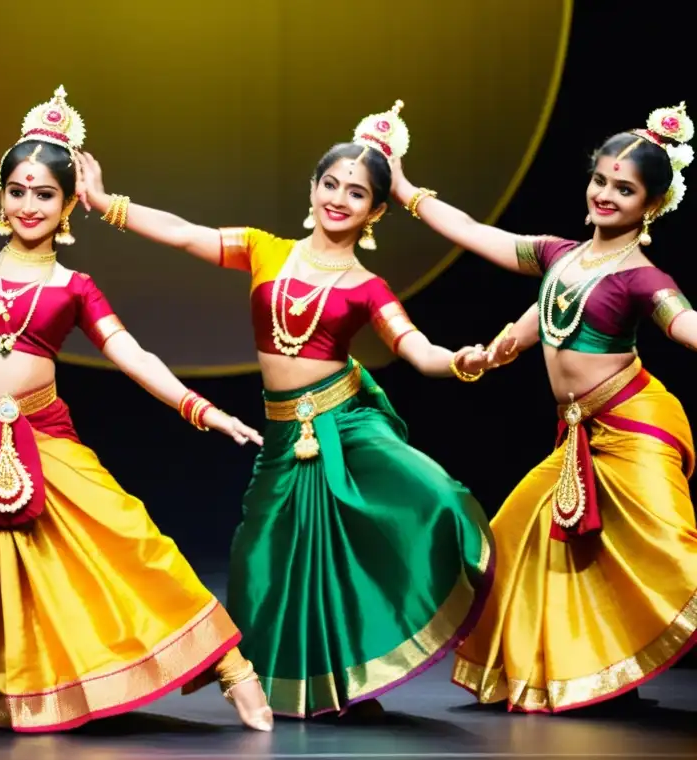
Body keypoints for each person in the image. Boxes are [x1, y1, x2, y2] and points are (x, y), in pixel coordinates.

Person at [0, 86, 273, 733]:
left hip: (42, 433)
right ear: (1, 195)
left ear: (69, 203)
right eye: (17, 190)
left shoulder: (74, 289)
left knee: (130, 536)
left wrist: (200, 409)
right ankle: (22, 693)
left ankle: (229, 667)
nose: (28, 204)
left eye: (44, 193)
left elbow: (132, 354)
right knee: (7, 580)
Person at [75, 101, 504, 719]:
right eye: (330, 184)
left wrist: (462, 361)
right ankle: (296, 684)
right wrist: (106, 202)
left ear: (375, 211)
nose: (338, 198)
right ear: (312, 189)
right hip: (284, 436)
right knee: (262, 563)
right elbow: (182, 231)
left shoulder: (366, 287)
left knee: (417, 510)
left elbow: (417, 350)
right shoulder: (264, 250)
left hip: (346, 427)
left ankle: (351, 684)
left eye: (355, 193)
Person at [392, 101, 697, 712]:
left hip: (634, 427)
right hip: (577, 435)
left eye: (625, 188)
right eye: (601, 179)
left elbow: (684, 323)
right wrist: (402, 189)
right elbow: (485, 242)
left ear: (652, 204)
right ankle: (593, 669)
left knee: (668, 547)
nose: (605, 194)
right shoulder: (561, 256)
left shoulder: (642, 278)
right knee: (517, 541)